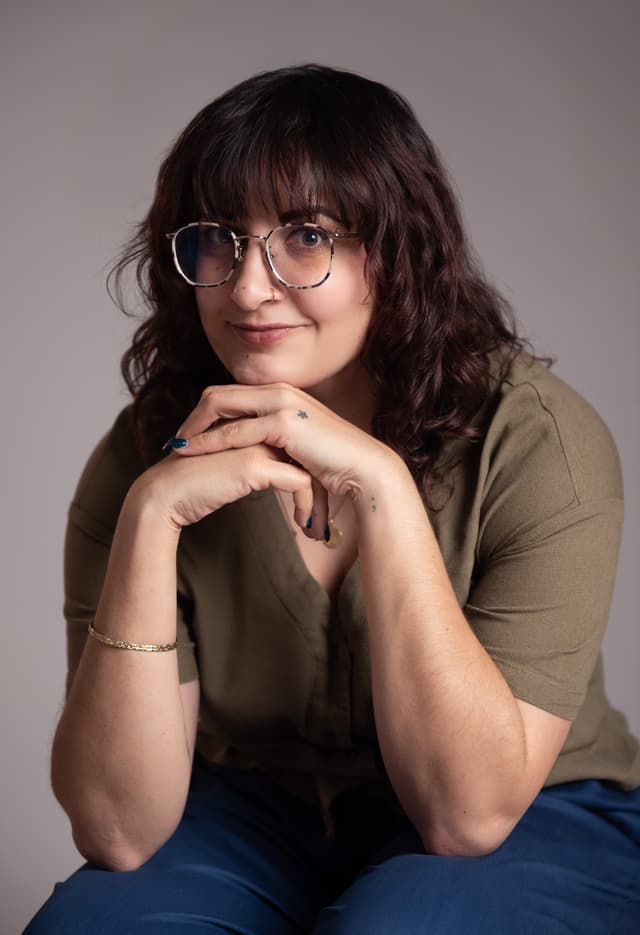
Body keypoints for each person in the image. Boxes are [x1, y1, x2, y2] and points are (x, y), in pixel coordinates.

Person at [25, 64, 639, 934]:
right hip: (251, 810)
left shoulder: (537, 444)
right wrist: (150, 521)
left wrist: (385, 488)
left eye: (306, 236)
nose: (246, 288)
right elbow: (119, 831)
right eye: (217, 239)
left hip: (537, 808)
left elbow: (467, 819)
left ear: (395, 250)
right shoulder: (141, 460)